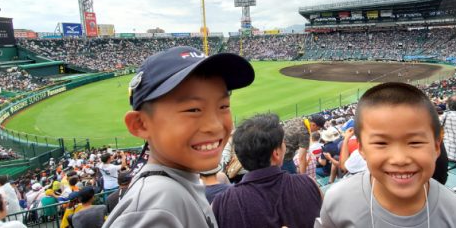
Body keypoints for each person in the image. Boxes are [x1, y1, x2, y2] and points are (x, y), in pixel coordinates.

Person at [103, 46, 254, 227]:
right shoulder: (155, 207)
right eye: (193, 110)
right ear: (141, 124)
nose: (214, 126)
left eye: (223, 106)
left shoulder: (175, 185)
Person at [316, 82, 456, 227]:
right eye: (381, 143)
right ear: (362, 149)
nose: (400, 159)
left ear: (437, 147)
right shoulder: (337, 201)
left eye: (415, 142)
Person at [212, 113, 322, 228]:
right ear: (277, 153)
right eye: (282, 143)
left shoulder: (220, 204)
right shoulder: (309, 184)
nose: (285, 145)